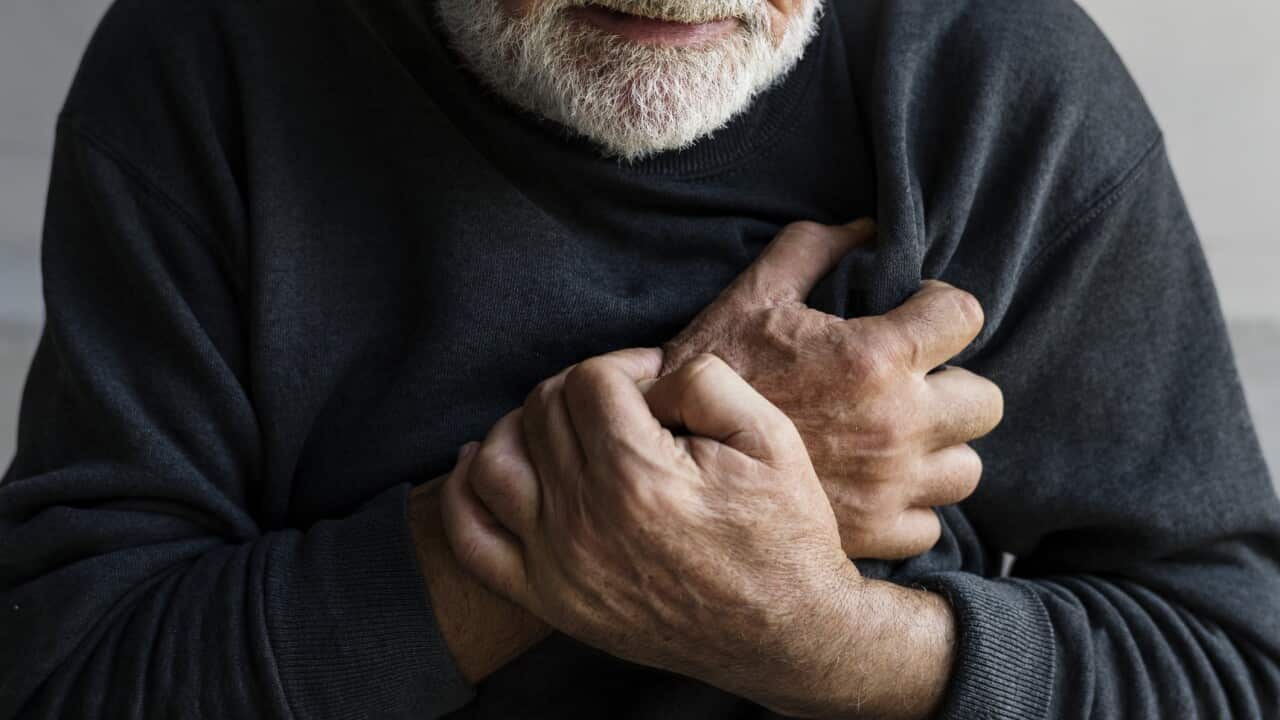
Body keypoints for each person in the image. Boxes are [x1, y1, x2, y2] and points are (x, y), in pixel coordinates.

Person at [0, 0, 1276, 717]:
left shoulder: (992, 76)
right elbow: (68, 679)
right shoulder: (207, 56)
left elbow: (1232, 667)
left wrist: (816, 631)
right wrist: (651, 492)